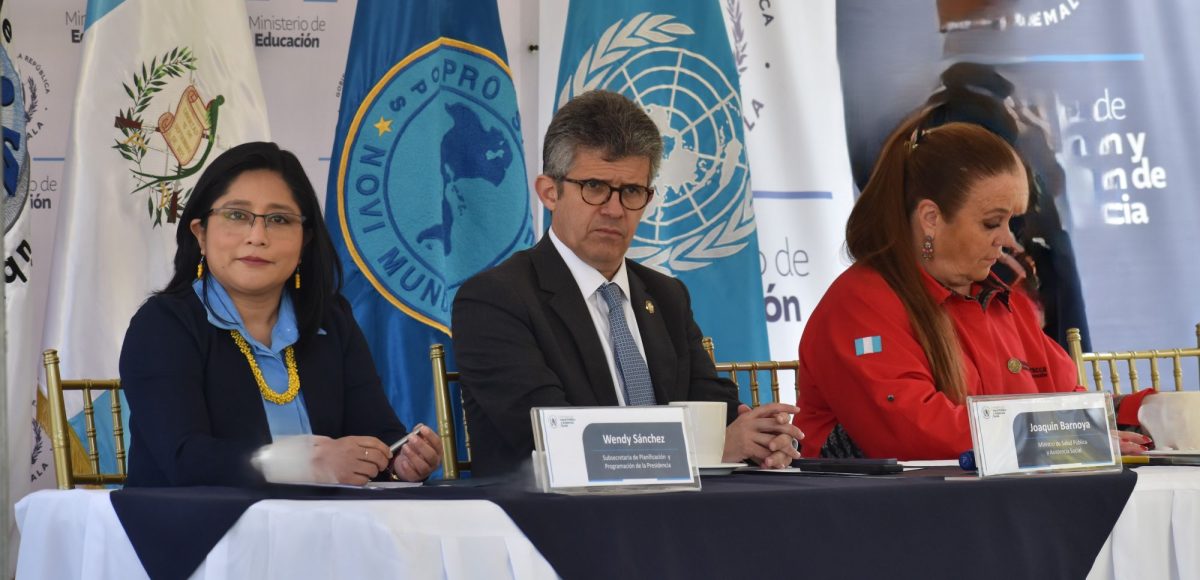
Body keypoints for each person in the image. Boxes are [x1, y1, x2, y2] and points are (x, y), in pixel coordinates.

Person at [452, 90, 802, 477]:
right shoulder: (495, 300)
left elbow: (712, 407)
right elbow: (550, 436)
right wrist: (705, 449)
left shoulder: (666, 296)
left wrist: (758, 437)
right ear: (550, 192)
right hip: (550, 510)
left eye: (632, 191)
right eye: (594, 187)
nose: (615, 210)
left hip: (679, 507)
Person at [794, 118, 1151, 459]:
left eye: (1012, 222)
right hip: (891, 502)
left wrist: (1144, 412)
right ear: (931, 219)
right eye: (992, 223)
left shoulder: (1001, 300)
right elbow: (916, 433)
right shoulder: (859, 305)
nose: (1008, 239)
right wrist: (1065, 439)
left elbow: (1068, 403)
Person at [120, 142, 442, 486]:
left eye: (279, 220)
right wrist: (302, 464)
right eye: (237, 215)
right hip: (197, 521)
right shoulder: (163, 325)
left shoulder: (331, 321)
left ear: (305, 241)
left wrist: (399, 463)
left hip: (326, 519)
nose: (257, 236)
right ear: (200, 233)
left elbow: (377, 436)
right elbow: (184, 459)